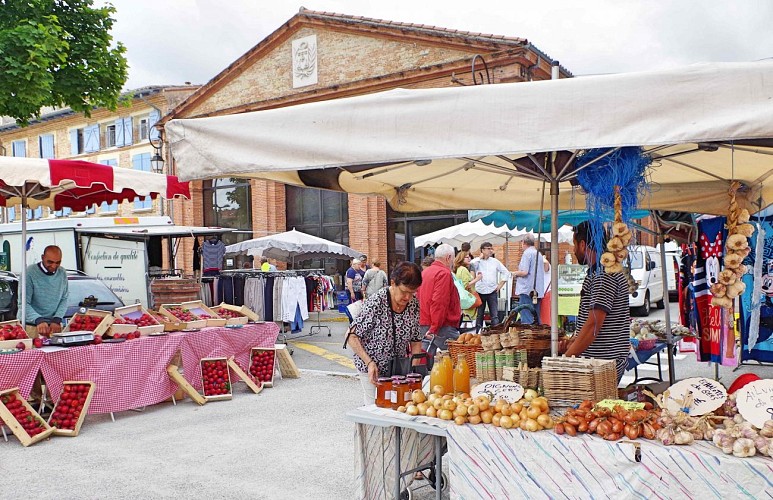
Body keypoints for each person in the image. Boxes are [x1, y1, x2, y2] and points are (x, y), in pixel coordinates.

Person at [347, 262, 424, 404]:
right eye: (404, 291)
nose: (407, 297)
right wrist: (369, 363)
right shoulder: (376, 302)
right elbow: (351, 336)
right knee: (375, 408)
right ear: (393, 283)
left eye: (412, 293)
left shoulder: (413, 304)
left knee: (399, 406)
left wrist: (413, 369)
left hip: (398, 368)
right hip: (372, 367)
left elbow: (416, 339)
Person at [564, 221, 631, 382]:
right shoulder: (601, 272)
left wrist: (567, 358)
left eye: (574, 245)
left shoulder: (604, 276)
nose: (573, 251)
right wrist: (574, 342)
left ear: (582, 244)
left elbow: (594, 324)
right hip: (601, 362)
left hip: (603, 364)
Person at [418, 244, 461, 357]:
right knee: (460, 357)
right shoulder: (444, 273)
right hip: (441, 325)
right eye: (453, 259)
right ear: (448, 257)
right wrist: (434, 327)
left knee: (425, 359)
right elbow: (439, 302)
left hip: (425, 322)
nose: (453, 262)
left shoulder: (425, 273)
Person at [20, 245, 68, 338]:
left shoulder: (62, 272)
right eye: (50, 262)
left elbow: (64, 298)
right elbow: (23, 303)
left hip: (54, 326)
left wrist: (57, 319)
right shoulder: (29, 272)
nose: (54, 266)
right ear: (42, 257)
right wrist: (38, 320)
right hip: (31, 325)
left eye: (58, 262)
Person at [474, 242, 510, 332]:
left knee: (495, 315)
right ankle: (478, 333)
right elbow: (470, 265)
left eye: (491, 248)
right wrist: (479, 258)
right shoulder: (477, 261)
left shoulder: (495, 262)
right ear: (482, 250)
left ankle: (496, 333)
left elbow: (506, 272)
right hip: (480, 291)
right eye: (488, 248)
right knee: (479, 315)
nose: (490, 250)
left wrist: (500, 285)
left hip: (492, 291)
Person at [512, 235, 545, 324]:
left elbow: (524, 272)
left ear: (524, 242)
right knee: (536, 316)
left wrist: (514, 273)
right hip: (538, 289)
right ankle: (537, 335)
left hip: (527, 289)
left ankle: (528, 335)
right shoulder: (538, 253)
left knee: (526, 314)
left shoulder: (527, 254)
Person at [454, 250, 480, 321]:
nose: (469, 259)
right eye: (467, 257)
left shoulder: (459, 269)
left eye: (469, 257)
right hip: (468, 299)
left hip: (463, 300)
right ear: (461, 258)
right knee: (469, 320)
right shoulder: (463, 270)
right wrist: (477, 279)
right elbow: (465, 285)